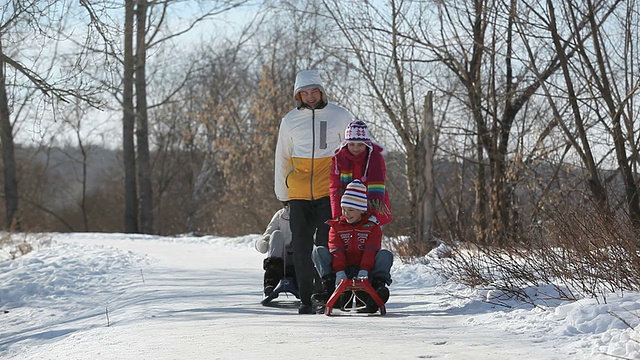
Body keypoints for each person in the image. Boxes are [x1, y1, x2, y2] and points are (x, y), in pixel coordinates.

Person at [274, 69, 354, 314]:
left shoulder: (341, 115)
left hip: (328, 190)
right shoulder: (289, 121)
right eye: (304, 93)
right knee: (300, 245)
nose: (309, 97)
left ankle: (325, 294)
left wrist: (352, 189)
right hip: (297, 191)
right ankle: (306, 299)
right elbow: (282, 157)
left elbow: (354, 151)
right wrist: (282, 193)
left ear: (322, 91)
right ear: (298, 95)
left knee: (324, 243)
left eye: (313, 91)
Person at [312, 179, 393, 313]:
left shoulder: (372, 227)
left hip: (366, 269)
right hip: (342, 269)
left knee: (385, 255)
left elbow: (371, 250)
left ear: (361, 210)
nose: (346, 213)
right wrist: (339, 272)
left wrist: (365, 270)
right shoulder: (336, 226)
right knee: (319, 251)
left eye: (350, 210)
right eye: (343, 209)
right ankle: (330, 289)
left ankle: (376, 289)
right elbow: (336, 250)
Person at [330, 119, 392, 225]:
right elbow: (335, 187)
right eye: (352, 144)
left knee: (370, 239)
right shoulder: (339, 159)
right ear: (346, 143)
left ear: (367, 144)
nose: (356, 148)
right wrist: (338, 215)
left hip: (370, 211)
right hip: (347, 211)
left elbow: (377, 187)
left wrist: (373, 216)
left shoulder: (375, 159)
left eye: (360, 144)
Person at [254, 202, 294, 297]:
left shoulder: (306, 214)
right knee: (276, 234)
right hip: (280, 258)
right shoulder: (280, 215)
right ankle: (270, 284)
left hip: (298, 258)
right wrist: (262, 243)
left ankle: (307, 287)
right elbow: (267, 234)